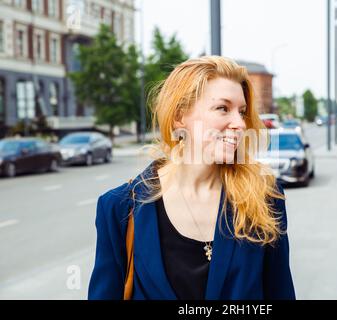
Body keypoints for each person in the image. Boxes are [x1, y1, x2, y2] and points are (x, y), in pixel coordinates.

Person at [88, 56, 296, 300]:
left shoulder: (265, 197)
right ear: (179, 117)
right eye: (222, 108)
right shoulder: (120, 207)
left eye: (241, 112)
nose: (240, 123)